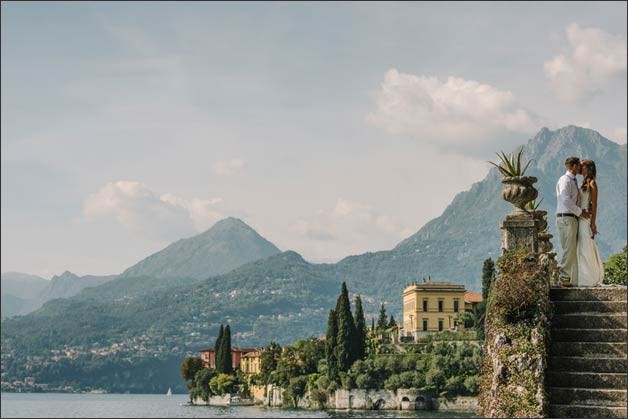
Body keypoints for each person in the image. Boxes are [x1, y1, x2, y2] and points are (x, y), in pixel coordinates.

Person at [555, 157, 590, 286]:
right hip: (567, 218)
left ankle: (569, 277)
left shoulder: (572, 181)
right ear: (574, 166)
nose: (581, 168)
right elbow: (565, 199)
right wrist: (580, 212)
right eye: (580, 166)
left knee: (570, 247)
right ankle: (564, 277)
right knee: (569, 248)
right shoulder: (565, 180)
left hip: (571, 217)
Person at [576, 159, 605, 286]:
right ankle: (582, 275)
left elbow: (594, 205)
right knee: (580, 244)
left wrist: (593, 223)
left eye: (582, 166)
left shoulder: (593, 183)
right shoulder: (582, 183)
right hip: (579, 216)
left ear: (588, 168)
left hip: (585, 218)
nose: (580, 168)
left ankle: (589, 277)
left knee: (585, 242)